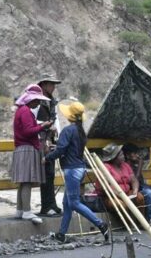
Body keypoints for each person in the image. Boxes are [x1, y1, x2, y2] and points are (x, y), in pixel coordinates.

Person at [43, 100, 108, 243]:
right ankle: (62, 234)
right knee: (67, 203)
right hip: (79, 168)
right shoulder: (80, 131)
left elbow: (61, 150)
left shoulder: (68, 130)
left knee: (74, 203)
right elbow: (69, 148)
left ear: (69, 116)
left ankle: (101, 224)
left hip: (71, 170)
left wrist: (47, 158)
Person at [11, 83, 53, 225]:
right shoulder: (26, 112)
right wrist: (42, 126)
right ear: (31, 100)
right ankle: (27, 211)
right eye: (37, 100)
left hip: (21, 149)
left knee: (23, 182)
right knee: (27, 180)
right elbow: (28, 131)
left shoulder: (21, 111)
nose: (38, 103)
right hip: (27, 149)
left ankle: (20, 210)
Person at [99, 143, 151, 225]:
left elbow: (134, 180)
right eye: (120, 154)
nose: (123, 156)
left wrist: (135, 190)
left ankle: (142, 223)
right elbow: (105, 187)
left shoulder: (125, 165)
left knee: (139, 197)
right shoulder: (106, 167)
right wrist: (121, 196)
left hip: (127, 193)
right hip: (112, 196)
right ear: (114, 157)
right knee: (121, 204)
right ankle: (129, 224)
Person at [36, 75, 63, 217]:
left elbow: (54, 119)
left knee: (51, 173)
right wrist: (47, 127)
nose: (54, 87)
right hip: (42, 140)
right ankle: (46, 206)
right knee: (46, 174)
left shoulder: (51, 102)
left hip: (50, 140)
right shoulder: (38, 102)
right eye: (51, 84)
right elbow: (35, 122)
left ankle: (52, 204)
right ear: (44, 85)